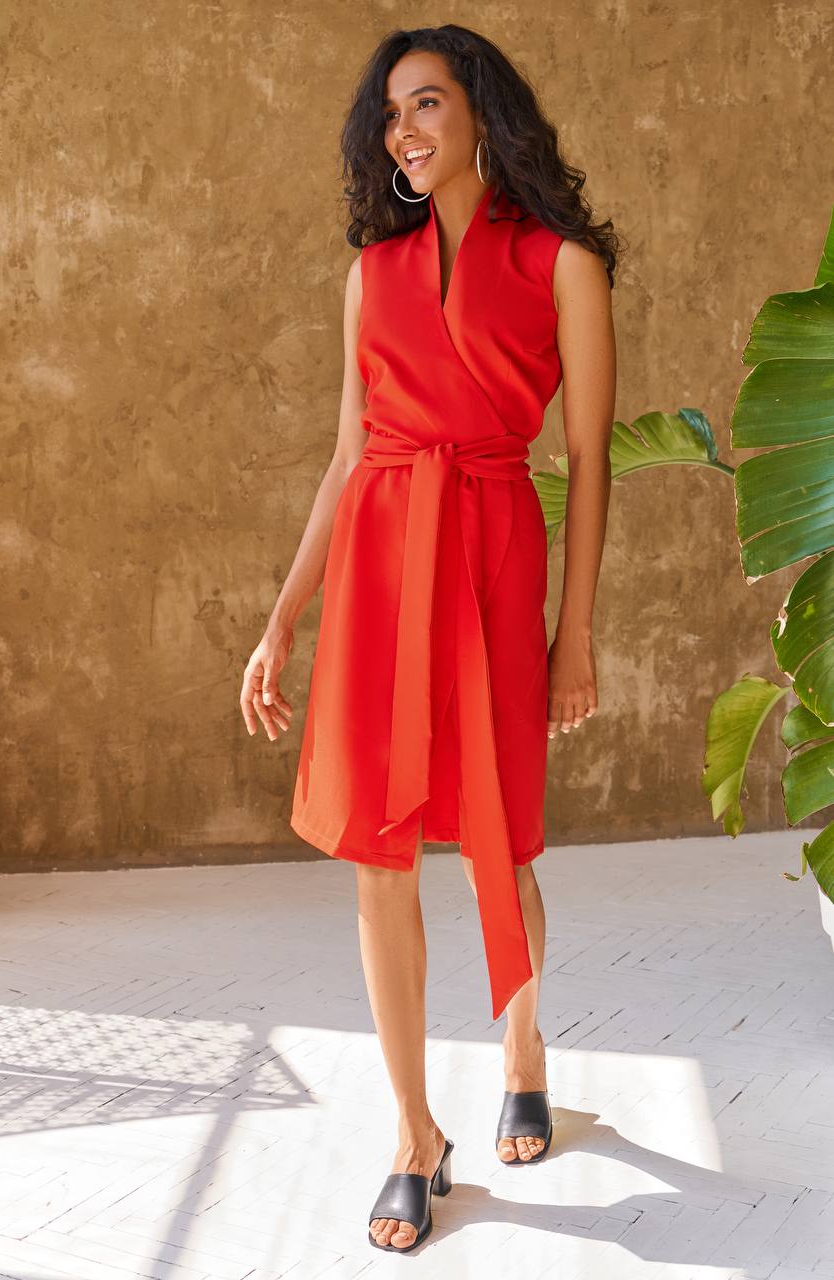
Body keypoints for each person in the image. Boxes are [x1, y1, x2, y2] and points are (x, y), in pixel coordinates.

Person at [240, 23, 617, 1253]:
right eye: (389, 114)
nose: (403, 130)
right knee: (378, 848)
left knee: (497, 841)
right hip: (378, 568)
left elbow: (591, 461)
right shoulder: (372, 273)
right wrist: (283, 618)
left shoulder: (561, 264)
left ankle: (521, 1045)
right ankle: (414, 1133)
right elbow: (347, 461)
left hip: (495, 549)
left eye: (426, 105)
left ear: (479, 112)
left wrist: (576, 634)